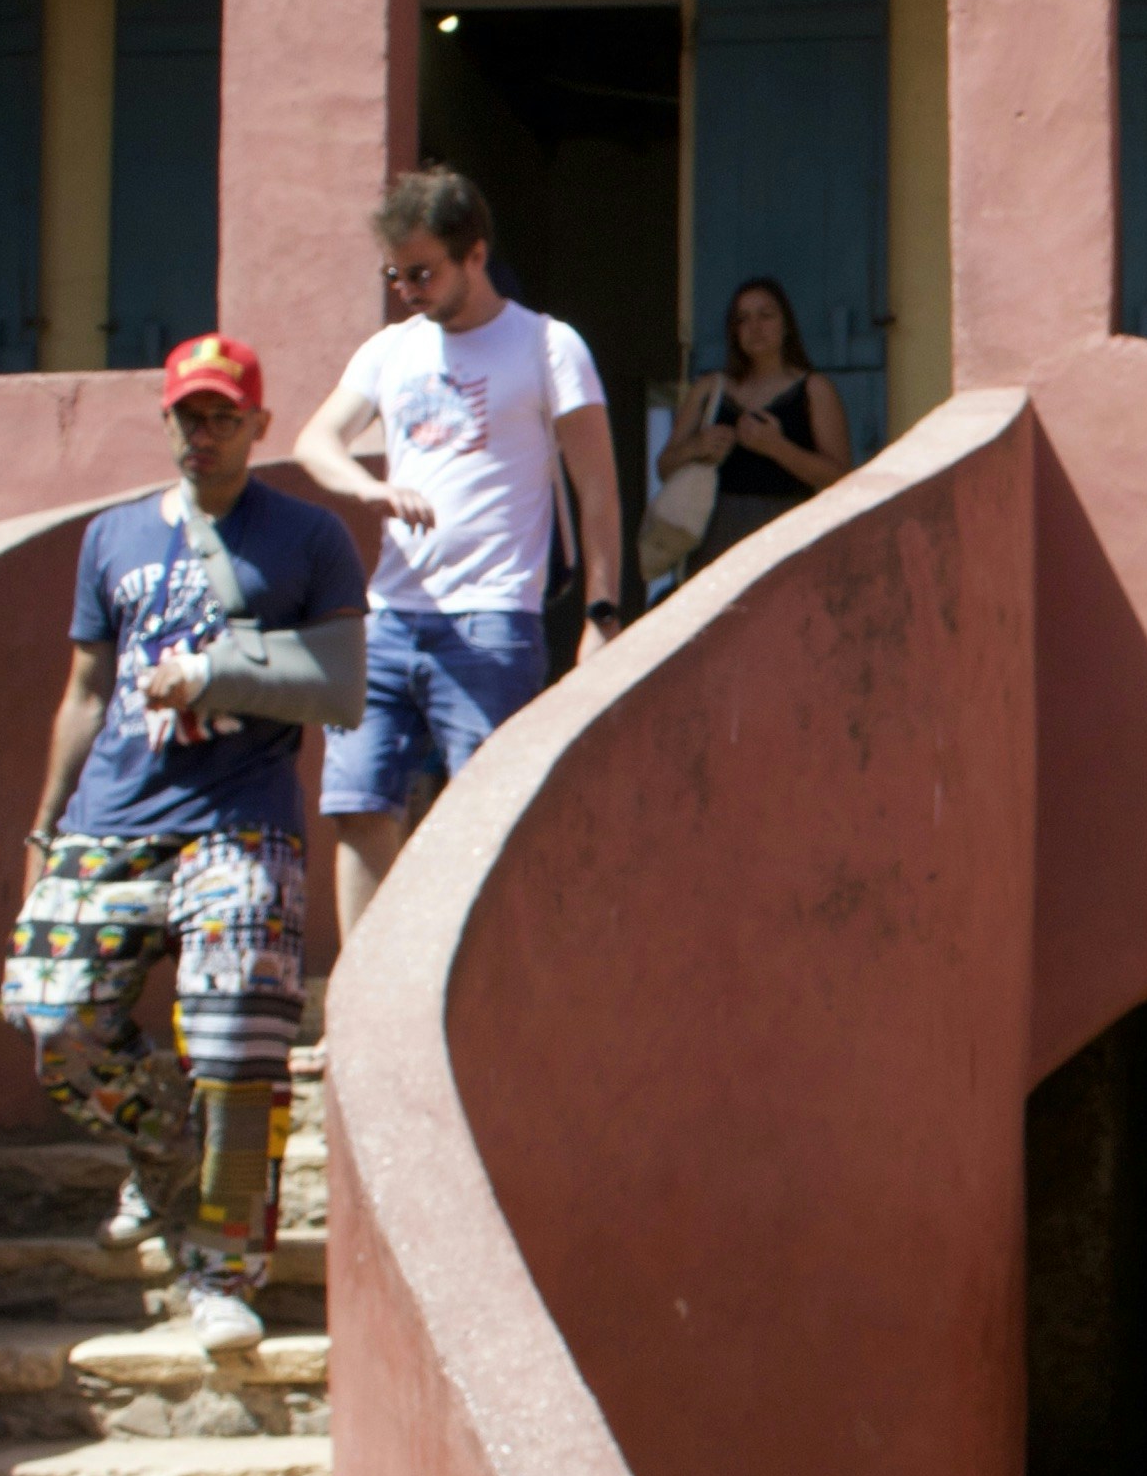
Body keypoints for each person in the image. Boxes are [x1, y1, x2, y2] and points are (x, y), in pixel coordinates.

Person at [8, 334, 370, 1352]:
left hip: (240, 820)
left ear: (258, 425)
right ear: (164, 421)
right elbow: (85, 692)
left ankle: (224, 1273)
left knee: (237, 1046)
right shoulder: (113, 539)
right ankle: (166, 1149)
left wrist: (214, 674)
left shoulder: (308, 538)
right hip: (112, 819)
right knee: (52, 1015)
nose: (201, 433)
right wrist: (46, 824)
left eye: (221, 416)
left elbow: (342, 683)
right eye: (186, 415)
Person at [295, 168, 625, 951]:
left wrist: (602, 615)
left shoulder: (547, 346)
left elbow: (599, 492)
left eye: (423, 272)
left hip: (493, 617)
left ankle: (466, 991)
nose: (407, 289)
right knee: (358, 805)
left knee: (482, 815)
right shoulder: (389, 350)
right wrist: (367, 490)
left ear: (474, 255)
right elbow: (315, 441)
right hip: (390, 616)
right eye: (396, 274)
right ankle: (364, 1006)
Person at [654, 275, 865, 571]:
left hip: (788, 530)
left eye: (766, 316)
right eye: (743, 319)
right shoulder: (709, 389)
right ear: (734, 331)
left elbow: (839, 475)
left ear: (786, 325)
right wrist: (698, 446)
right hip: (716, 531)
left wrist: (777, 447)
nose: (755, 327)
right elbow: (664, 467)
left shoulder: (814, 389)